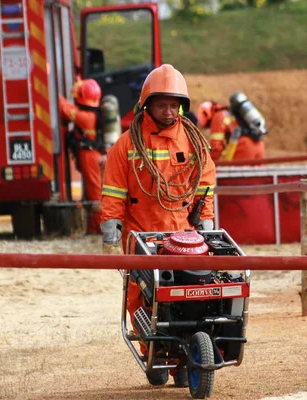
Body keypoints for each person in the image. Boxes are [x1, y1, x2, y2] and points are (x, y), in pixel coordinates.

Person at [100, 64, 215, 386]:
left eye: (174, 105)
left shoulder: (192, 141)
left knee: (190, 296)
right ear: (146, 104)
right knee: (142, 299)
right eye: (162, 104)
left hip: (185, 234)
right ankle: (155, 354)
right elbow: (112, 194)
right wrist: (111, 238)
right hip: (141, 235)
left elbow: (205, 185)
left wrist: (205, 224)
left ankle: (185, 358)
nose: (168, 111)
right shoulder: (126, 145)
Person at [59, 79, 105, 234]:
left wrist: (52, 90)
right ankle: (92, 228)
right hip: (93, 155)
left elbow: (64, 109)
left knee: (95, 194)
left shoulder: (86, 117)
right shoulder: (93, 114)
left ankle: (100, 228)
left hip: (89, 156)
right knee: (91, 193)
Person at [197, 98, 266, 161]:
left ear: (207, 116)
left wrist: (211, 163)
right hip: (259, 145)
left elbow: (216, 149)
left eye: (209, 125)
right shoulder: (229, 111)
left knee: (236, 173)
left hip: (243, 147)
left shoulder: (217, 117)